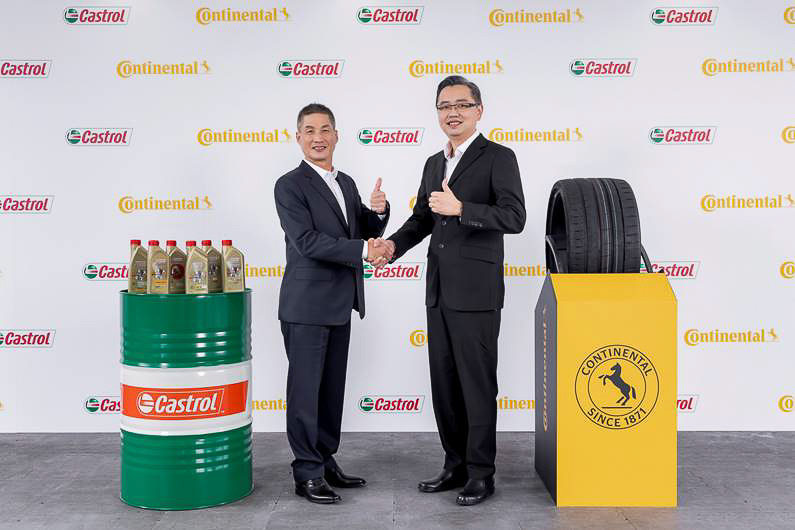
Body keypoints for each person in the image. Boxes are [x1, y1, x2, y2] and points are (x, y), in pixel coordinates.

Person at [374, 76, 525, 506]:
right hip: (439, 290)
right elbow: (422, 219)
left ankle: (481, 473)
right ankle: (454, 464)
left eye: (462, 104)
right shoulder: (432, 163)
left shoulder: (499, 157)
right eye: (444, 106)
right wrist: (392, 246)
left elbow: (515, 217)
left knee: (476, 385)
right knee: (444, 382)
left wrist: (463, 209)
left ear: (479, 111)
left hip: (477, 292)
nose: (452, 112)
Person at [274, 103, 392, 504]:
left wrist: (379, 212)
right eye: (309, 130)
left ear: (337, 136)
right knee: (305, 394)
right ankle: (306, 472)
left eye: (325, 129)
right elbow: (307, 241)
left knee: (330, 391)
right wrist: (364, 249)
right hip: (306, 306)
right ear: (298, 138)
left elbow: (359, 229)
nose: (318, 137)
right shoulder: (289, 185)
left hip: (341, 302)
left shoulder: (346, 183)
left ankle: (325, 461)